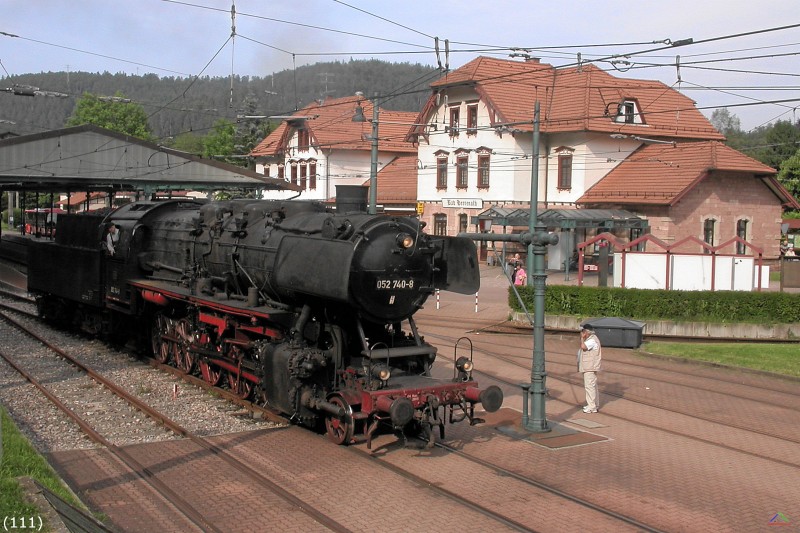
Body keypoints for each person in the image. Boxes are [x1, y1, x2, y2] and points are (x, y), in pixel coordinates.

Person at [578, 325, 602, 413]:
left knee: (589, 387)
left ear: (586, 332)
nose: (582, 333)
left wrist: (582, 338)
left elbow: (583, 347)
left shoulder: (592, 340)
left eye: (583, 331)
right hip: (590, 366)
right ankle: (594, 405)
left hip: (590, 367)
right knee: (593, 386)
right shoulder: (592, 339)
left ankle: (592, 406)